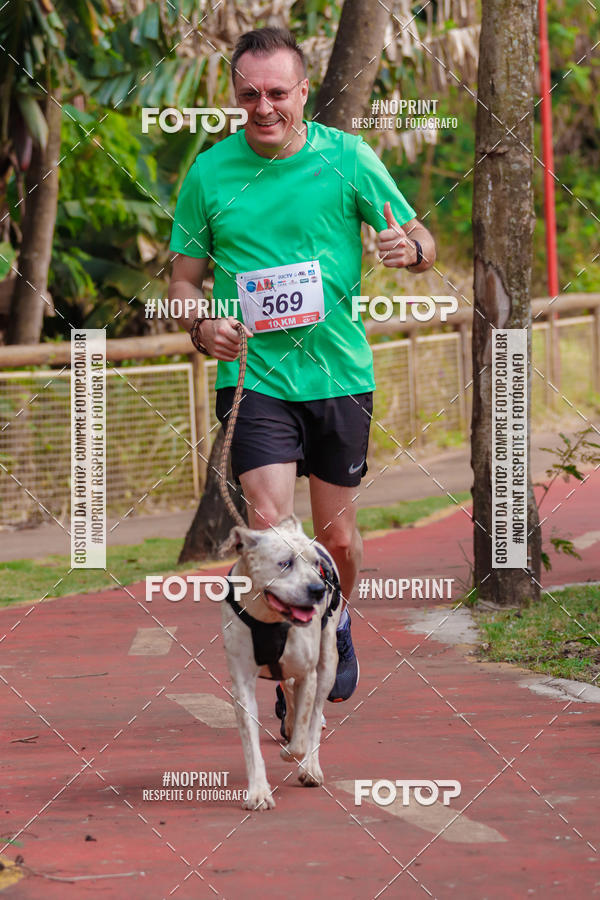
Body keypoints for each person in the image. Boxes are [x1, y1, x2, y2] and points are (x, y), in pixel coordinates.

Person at [168, 26, 436, 711]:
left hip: (339, 376)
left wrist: (413, 249)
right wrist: (202, 326)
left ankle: (337, 620)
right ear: (234, 94)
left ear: (304, 93)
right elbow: (184, 283)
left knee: (336, 539)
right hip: (254, 381)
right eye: (249, 94)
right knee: (270, 524)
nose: (263, 107)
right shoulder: (209, 172)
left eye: (277, 93)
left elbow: (419, 236)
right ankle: (291, 667)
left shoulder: (349, 157)